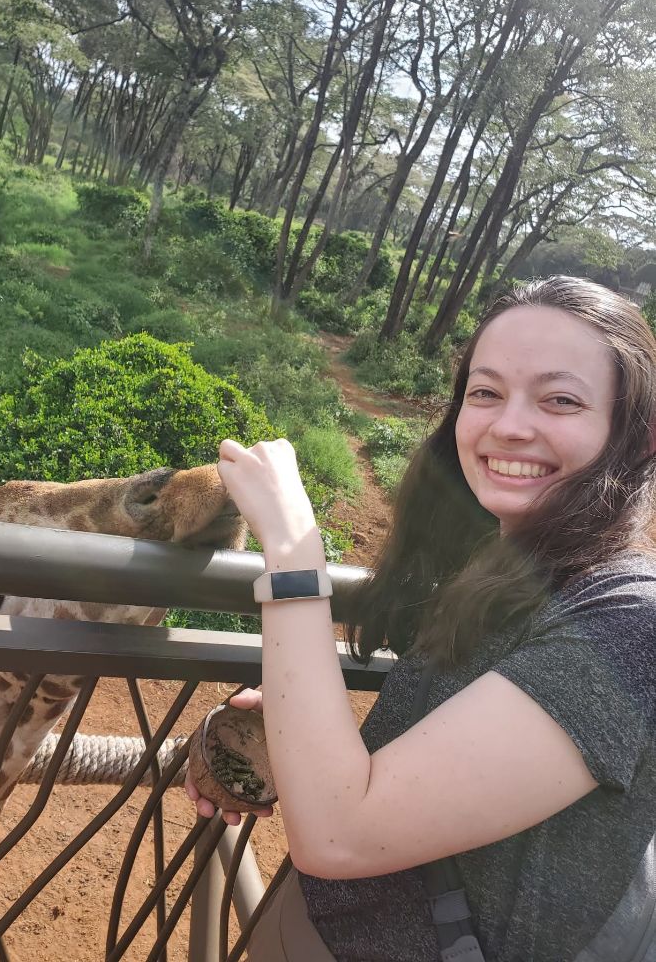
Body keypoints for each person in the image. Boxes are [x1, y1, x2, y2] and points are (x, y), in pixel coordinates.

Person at [184, 276, 656, 961]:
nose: (509, 424)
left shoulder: (630, 622)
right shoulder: (509, 570)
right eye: (486, 392)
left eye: (560, 399)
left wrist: (292, 548)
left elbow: (341, 832)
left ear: (637, 436)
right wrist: (298, 728)